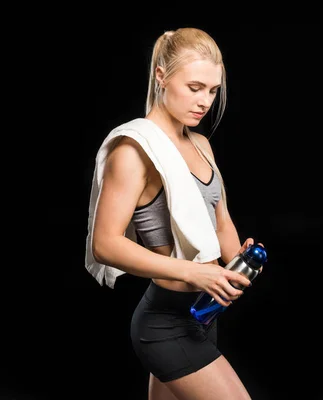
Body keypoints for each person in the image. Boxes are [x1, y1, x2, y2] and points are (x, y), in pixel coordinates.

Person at [87, 27, 264, 400]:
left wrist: (238, 261)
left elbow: (220, 220)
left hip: (202, 314)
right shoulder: (134, 151)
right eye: (195, 87)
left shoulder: (200, 143)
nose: (205, 102)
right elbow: (104, 244)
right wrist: (196, 272)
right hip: (164, 323)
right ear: (161, 75)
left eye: (213, 91)